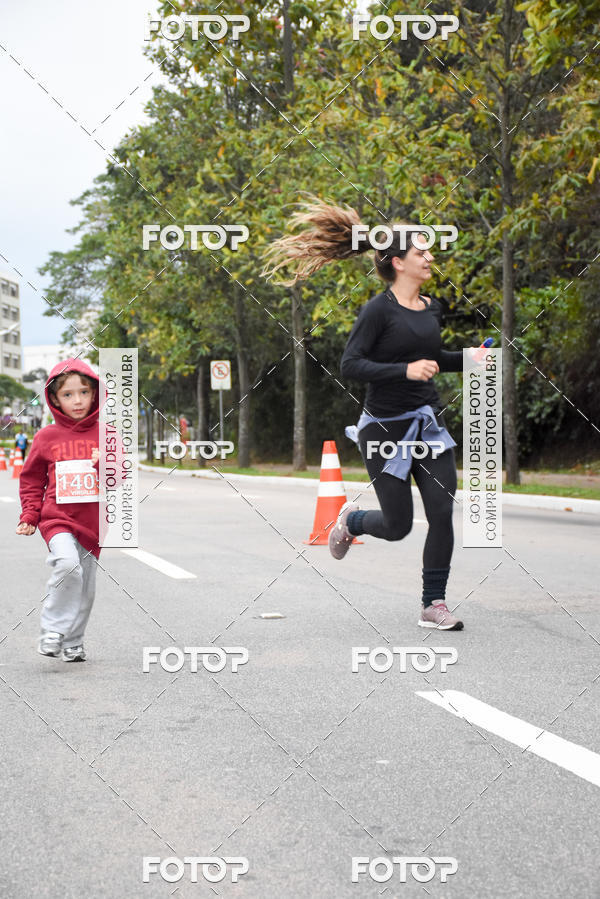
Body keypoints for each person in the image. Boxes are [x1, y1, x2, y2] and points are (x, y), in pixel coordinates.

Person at [263, 198, 465, 630]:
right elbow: (350, 365)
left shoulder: (431, 308)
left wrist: (468, 359)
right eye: (421, 252)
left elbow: (431, 358)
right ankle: (351, 521)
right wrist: (403, 370)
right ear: (397, 262)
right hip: (384, 431)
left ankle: (434, 603)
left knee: (443, 511)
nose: (430, 257)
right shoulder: (377, 311)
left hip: (427, 425)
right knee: (398, 526)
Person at [16, 359, 101, 661]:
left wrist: (105, 460)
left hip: (93, 526)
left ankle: (73, 642)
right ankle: (52, 630)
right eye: (68, 394)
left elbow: (122, 480)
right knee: (67, 565)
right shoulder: (46, 437)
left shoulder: (107, 435)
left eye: (84, 392)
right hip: (57, 519)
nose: (77, 400)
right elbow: (31, 479)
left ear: (95, 394)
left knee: (85, 589)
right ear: (54, 398)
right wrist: (30, 515)